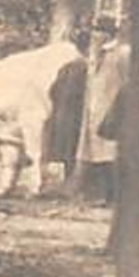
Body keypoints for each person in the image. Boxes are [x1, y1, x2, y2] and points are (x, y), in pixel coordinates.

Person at [76, 16, 130, 206]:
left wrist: (122, 109)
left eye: (98, 31)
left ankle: (115, 197)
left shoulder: (121, 53)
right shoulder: (96, 55)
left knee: (112, 153)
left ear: (108, 34)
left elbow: (128, 83)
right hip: (96, 110)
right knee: (98, 154)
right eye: (94, 31)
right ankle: (103, 195)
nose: (95, 35)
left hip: (113, 111)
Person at [46, 31, 89, 181]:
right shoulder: (86, 68)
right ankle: (72, 178)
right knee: (74, 145)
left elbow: (52, 91)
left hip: (62, 113)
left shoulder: (65, 68)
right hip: (76, 113)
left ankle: (67, 177)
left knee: (65, 146)